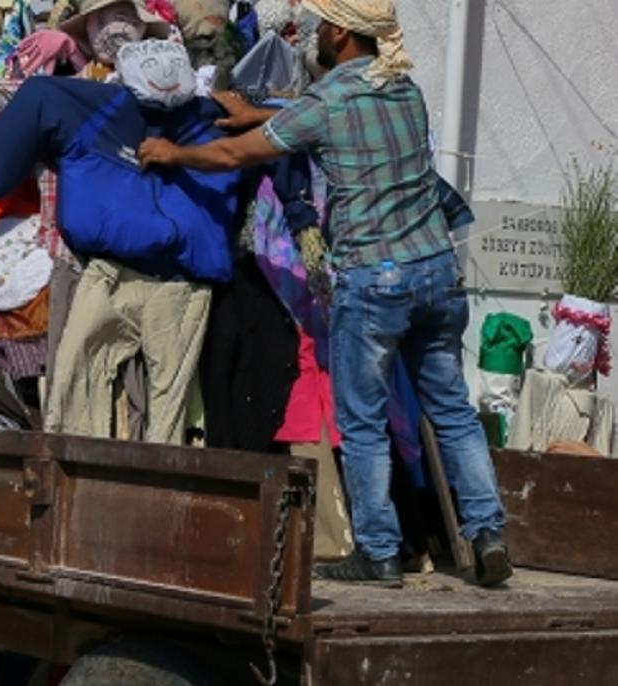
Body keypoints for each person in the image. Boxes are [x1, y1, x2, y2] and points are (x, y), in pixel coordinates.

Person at [138, 0, 511, 589]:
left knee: (359, 419)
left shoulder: (329, 100)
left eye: (320, 24)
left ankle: (379, 552)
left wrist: (172, 153)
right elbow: (313, 119)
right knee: (454, 412)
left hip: (374, 277)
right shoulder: (405, 90)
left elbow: (238, 153)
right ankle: (489, 533)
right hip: (437, 272)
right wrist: (258, 113)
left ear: (339, 31)